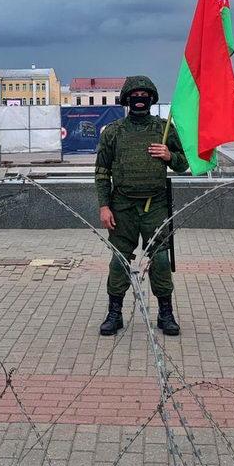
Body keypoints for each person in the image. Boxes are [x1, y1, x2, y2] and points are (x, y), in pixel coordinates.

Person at [95, 76, 188, 337]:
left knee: (159, 259)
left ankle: (165, 313)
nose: (139, 98)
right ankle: (115, 313)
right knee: (119, 261)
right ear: (126, 99)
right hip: (122, 206)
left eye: (143, 94)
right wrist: (104, 206)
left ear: (151, 98)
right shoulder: (113, 131)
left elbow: (183, 163)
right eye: (134, 94)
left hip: (155, 205)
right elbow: (102, 173)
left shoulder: (163, 129)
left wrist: (169, 155)